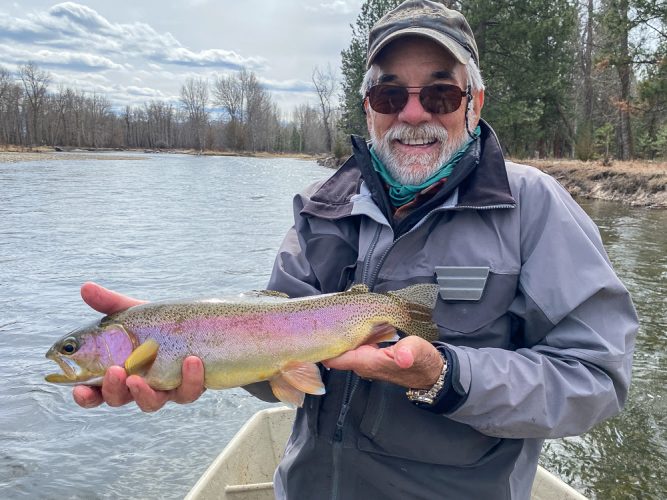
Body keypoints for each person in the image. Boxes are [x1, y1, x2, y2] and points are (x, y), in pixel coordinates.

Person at [73, 1, 638, 498]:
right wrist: (184, 352)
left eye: (440, 92)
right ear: (368, 105)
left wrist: (445, 376)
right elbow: (278, 351)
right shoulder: (323, 204)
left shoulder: (533, 206)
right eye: (390, 93)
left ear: (475, 102)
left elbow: (596, 379)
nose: (413, 114)